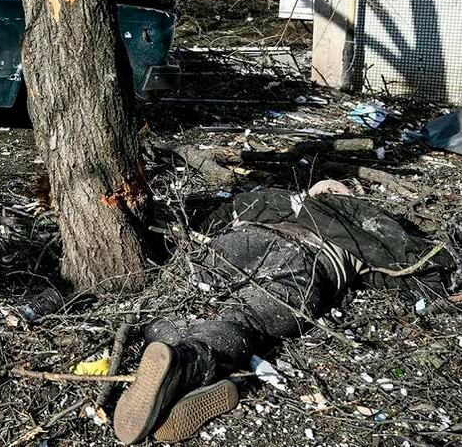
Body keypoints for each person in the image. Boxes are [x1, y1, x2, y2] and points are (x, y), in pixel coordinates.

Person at [113, 182, 458, 444]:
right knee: (245, 316)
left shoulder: (279, 200)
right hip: (306, 261)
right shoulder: (360, 224)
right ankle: (188, 363)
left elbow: (219, 218)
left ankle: (171, 364)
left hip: (249, 238)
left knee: (186, 296)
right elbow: (411, 265)